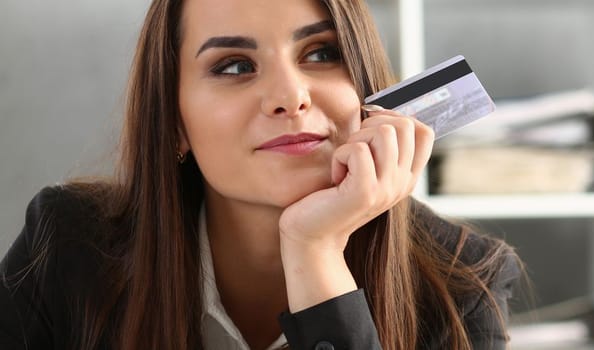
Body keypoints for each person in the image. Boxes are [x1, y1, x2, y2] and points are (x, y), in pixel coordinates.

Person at [0, 0, 523, 349]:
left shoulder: (464, 285)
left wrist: (315, 254)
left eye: (321, 53)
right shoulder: (65, 250)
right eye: (234, 66)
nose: (290, 96)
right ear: (174, 123)